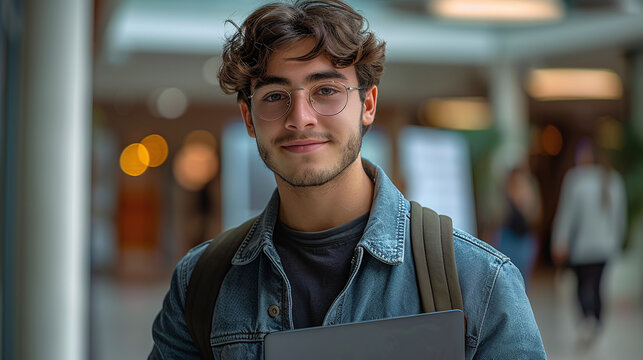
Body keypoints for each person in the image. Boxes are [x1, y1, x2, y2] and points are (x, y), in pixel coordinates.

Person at [149, 1, 546, 358]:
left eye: (325, 90)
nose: (300, 117)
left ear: (368, 104)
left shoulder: (477, 278)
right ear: (249, 118)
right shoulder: (201, 282)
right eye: (274, 96)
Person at [551, 138, 627, 343]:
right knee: (597, 286)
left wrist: (559, 240)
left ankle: (588, 319)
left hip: (583, 248)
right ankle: (596, 321)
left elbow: (566, 214)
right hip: (605, 246)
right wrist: (617, 241)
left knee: (583, 286)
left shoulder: (576, 179)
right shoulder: (614, 179)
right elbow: (620, 217)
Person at [496, 165, 542, 286]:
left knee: (522, 280)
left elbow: (534, 215)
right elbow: (498, 217)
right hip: (507, 238)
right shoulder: (504, 195)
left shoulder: (529, 192)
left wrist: (524, 203)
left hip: (524, 239)